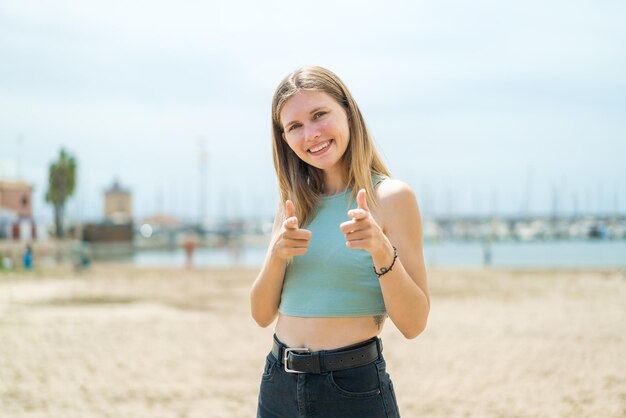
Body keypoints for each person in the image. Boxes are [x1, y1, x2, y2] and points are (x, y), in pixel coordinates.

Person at [250, 66, 430, 417]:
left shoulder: (392, 197)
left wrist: (380, 249)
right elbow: (260, 315)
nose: (311, 134)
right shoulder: (293, 202)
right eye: (295, 126)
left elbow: (414, 324)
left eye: (320, 115)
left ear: (348, 112)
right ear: (284, 138)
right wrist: (276, 255)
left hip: (352, 388)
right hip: (278, 386)